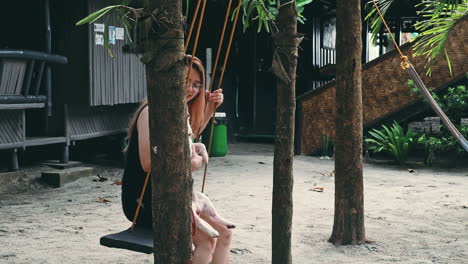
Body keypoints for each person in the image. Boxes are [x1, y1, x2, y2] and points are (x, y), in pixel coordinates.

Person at [121, 55, 231, 264]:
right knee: (207, 240)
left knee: (224, 232)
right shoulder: (151, 111)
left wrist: (209, 109)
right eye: (185, 82)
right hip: (145, 200)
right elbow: (147, 163)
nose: (190, 89)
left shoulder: (178, 111)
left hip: (172, 193)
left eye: (196, 85)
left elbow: (191, 138)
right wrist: (194, 163)